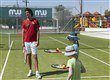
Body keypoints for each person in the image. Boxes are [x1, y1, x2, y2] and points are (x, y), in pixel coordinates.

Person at [22, 8, 42, 79]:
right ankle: (30, 70)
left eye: (27, 12)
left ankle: (37, 72)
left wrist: (38, 40)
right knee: (28, 56)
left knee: (35, 56)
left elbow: (38, 31)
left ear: (30, 13)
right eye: (25, 13)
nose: (26, 14)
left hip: (33, 42)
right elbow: (23, 32)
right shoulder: (24, 22)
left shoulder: (35, 21)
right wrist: (23, 42)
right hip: (26, 42)